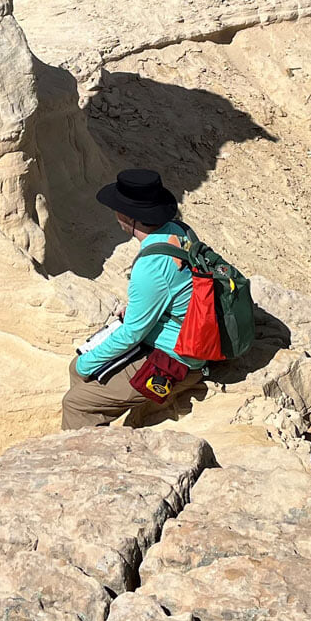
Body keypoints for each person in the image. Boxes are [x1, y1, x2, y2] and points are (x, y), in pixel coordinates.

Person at [62, 169, 208, 430]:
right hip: (187, 333)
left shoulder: (151, 266)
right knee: (78, 369)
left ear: (129, 216)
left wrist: (86, 364)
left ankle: (86, 457)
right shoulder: (180, 230)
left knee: (76, 401)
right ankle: (96, 420)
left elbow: (132, 334)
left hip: (175, 359)